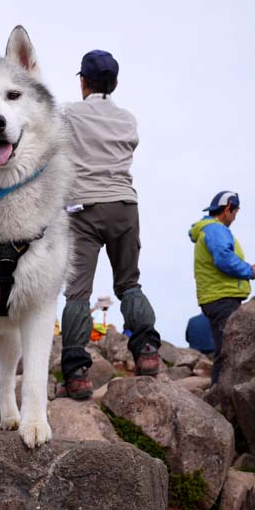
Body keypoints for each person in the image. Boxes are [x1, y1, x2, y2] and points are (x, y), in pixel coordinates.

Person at [58, 49, 163, 400]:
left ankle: (76, 374)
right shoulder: (128, 120)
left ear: (83, 82)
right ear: (115, 83)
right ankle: (147, 351)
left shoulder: (69, 114)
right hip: (124, 206)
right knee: (129, 284)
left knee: (77, 293)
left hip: (82, 210)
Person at [189, 191, 255, 384]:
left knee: (224, 349)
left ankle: (218, 394)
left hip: (215, 297)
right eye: (235, 212)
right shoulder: (216, 230)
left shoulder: (209, 230)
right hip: (222, 298)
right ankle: (220, 397)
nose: (235, 217)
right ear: (228, 208)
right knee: (229, 351)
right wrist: (249, 271)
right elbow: (224, 259)